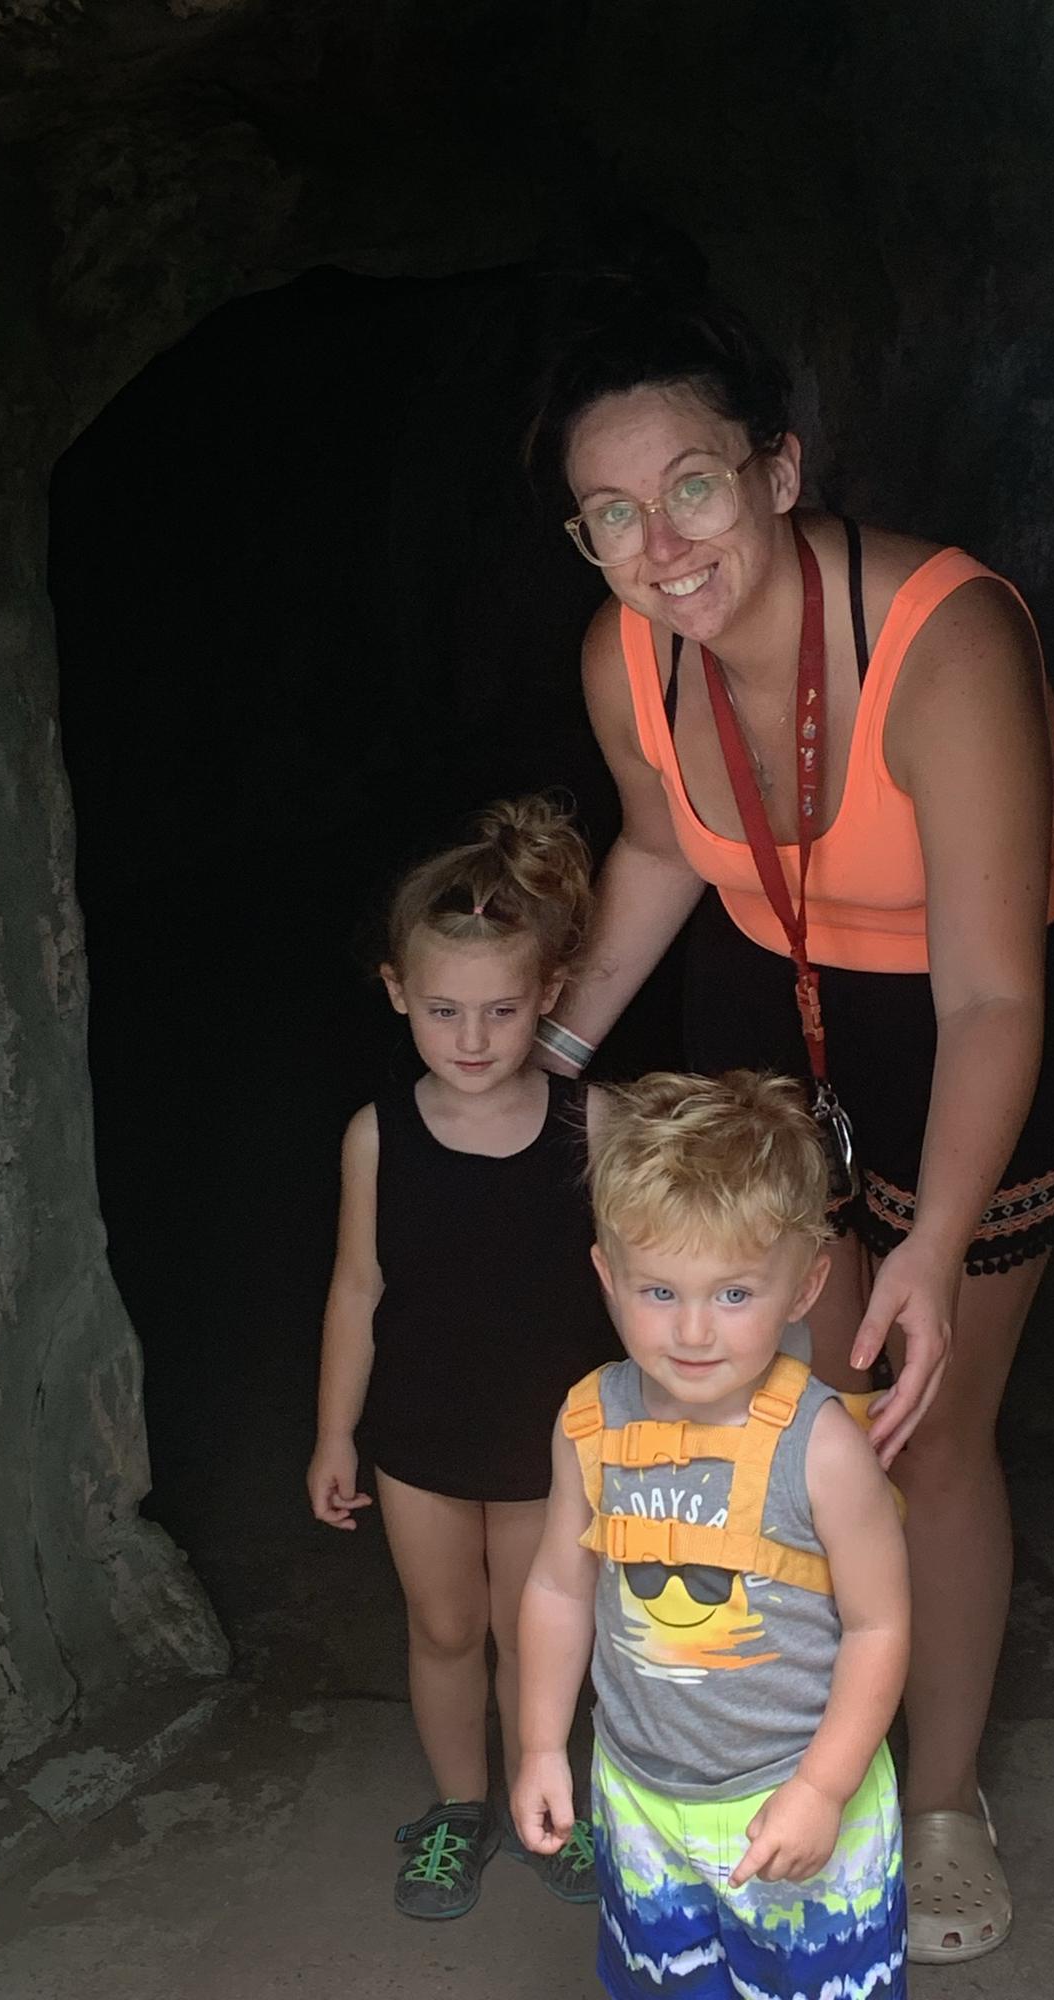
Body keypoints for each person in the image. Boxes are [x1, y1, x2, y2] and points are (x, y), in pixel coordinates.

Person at [525, 290, 1054, 1960]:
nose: (660, 547)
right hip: (772, 1000)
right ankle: (794, 1759)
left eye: (692, 486)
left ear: (776, 471)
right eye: (611, 516)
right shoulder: (626, 656)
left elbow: (992, 993)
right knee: (798, 1408)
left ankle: (942, 1804)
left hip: (976, 1021)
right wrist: (547, 1054)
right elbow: (662, 849)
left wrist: (935, 1242)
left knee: (926, 1429)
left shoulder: (944, 639)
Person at [513, 1069, 911, 2000]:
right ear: (607, 1276)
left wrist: (822, 1789)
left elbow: (880, 1626)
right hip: (641, 1796)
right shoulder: (589, 1422)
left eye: (734, 1294)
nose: (693, 1331)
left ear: (806, 1285)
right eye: (659, 1290)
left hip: (794, 1795)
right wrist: (539, 1746)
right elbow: (558, 1588)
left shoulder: (822, 1450)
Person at [306, 795, 619, 1921]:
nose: (472, 1039)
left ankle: (549, 1799)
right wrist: (336, 1433)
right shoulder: (377, 1134)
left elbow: (643, 1285)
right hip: (419, 1440)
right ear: (398, 991)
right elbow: (358, 1287)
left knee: (540, 1630)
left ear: (549, 993)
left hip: (553, 1445)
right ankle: (457, 1807)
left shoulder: (597, 1126)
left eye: (500, 1010)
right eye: (444, 1010)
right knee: (444, 1628)